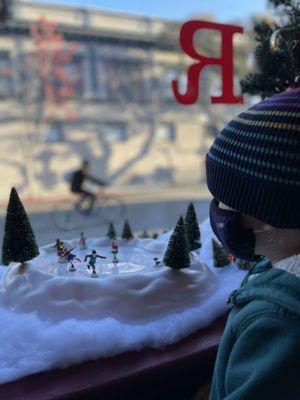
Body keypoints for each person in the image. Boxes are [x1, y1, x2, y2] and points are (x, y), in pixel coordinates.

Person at [204, 87, 300, 399]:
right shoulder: (276, 264)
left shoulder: (278, 323)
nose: (217, 210)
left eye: (229, 202)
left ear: (275, 213)